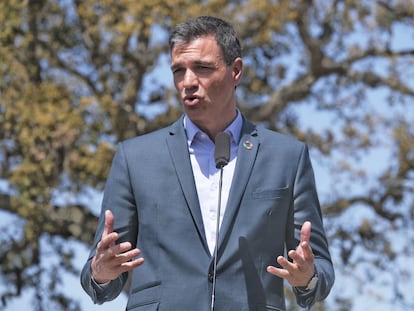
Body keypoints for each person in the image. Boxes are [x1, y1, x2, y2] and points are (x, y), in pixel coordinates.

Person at [81, 16, 334, 311]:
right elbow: (98, 281)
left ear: (235, 70)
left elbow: (321, 271)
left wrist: (307, 277)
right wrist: (100, 272)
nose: (188, 82)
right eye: (179, 71)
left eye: (202, 68)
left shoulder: (286, 156)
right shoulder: (135, 158)